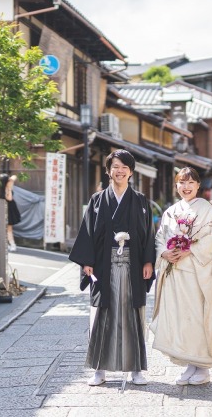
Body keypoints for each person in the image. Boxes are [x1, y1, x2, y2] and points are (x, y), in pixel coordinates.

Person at [69, 149, 156, 386]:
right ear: (108, 171)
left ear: (131, 171)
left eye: (124, 167)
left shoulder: (140, 200)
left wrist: (148, 261)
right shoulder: (97, 200)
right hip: (103, 266)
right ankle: (100, 368)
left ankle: (136, 369)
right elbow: (87, 232)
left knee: (133, 315)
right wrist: (87, 262)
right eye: (115, 166)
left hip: (133, 265)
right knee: (101, 315)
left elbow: (148, 233)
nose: (120, 171)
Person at [151, 167, 212, 385]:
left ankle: (203, 367)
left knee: (198, 316)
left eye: (190, 183)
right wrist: (164, 252)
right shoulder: (171, 211)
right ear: (176, 185)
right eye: (181, 182)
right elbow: (160, 237)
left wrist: (190, 250)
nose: (186, 187)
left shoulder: (206, 208)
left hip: (196, 273)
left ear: (198, 185)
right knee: (181, 318)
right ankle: (190, 364)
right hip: (175, 274)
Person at [0, 173, 21, 252]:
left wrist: (9, 183)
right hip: (6, 208)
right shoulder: (4, 189)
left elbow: (14, 177)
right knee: (6, 229)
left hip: (9, 209)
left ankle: (12, 244)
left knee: (8, 228)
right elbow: (9, 198)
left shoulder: (3, 188)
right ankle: (10, 244)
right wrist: (8, 188)